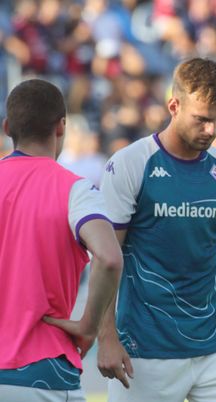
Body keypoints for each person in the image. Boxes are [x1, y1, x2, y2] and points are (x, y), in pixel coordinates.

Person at [98, 57, 216, 402]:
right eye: (202, 119)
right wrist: (106, 336)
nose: (212, 130)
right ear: (174, 105)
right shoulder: (131, 164)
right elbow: (105, 257)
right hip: (145, 349)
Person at [0, 79, 123, 402]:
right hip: (42, 374)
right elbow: (110, 258)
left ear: (8, 126)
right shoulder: (75, 190)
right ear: (61, 127)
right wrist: (88, 326)